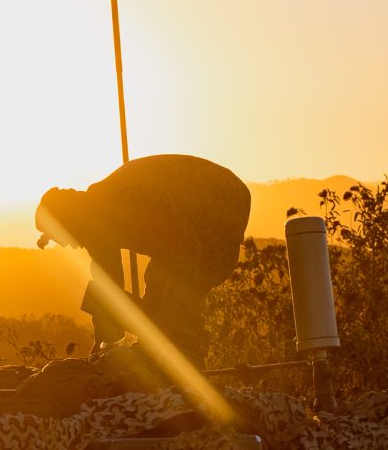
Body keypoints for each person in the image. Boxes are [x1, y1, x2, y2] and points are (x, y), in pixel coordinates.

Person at [33, 154, 251, 367]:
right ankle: (163, 352)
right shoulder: (96, 226)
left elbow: (186, 248)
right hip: (182, 232)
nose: (64, 245)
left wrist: (166, 320)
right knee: (160, 292)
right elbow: (110, 287)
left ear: (70, 221)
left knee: (184, 292)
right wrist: (105, 330)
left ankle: (187, 360)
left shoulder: (125, 200)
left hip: (220, 200)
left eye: (59, 237)